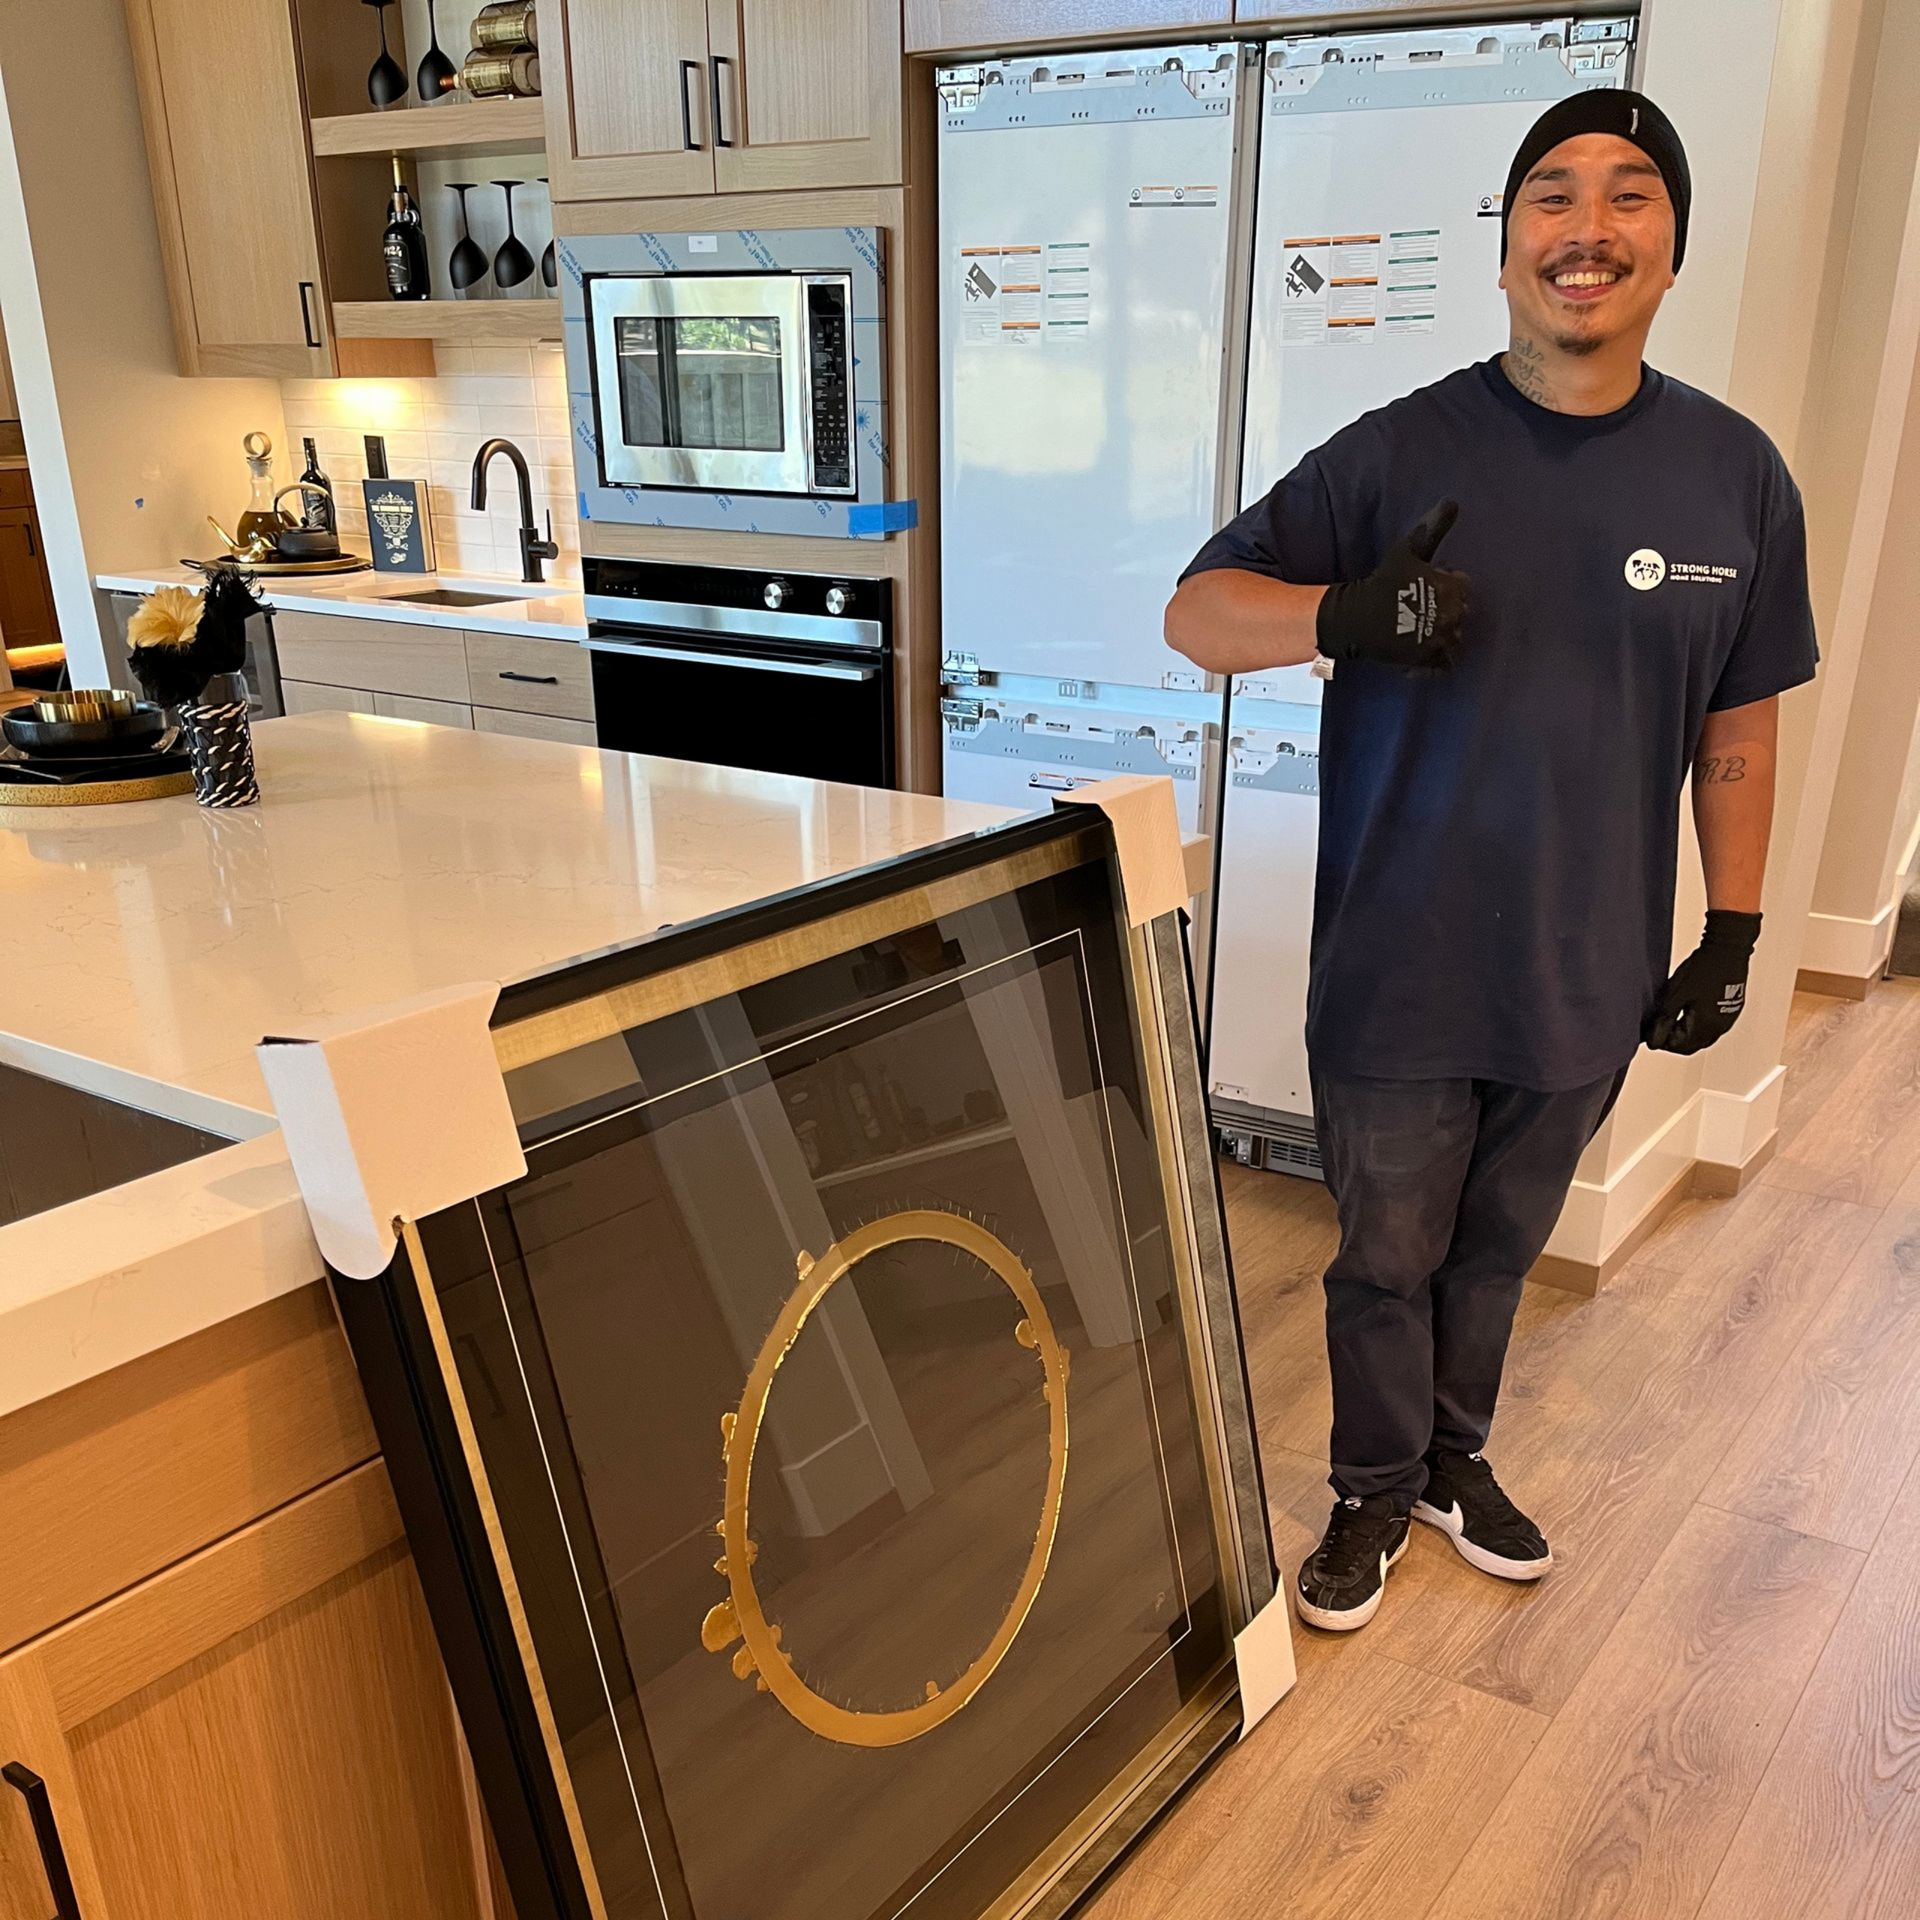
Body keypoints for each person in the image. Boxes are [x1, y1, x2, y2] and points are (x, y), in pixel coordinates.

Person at [1164, 90, 1818, 1632]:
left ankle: (1456, 1462)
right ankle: (1372, 1494)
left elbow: (1739, 719)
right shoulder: (1402, 451)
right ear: (1509, 242)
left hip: (1588, 966)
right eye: (1552, 197)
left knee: (1498, 1248)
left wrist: (1732, 929)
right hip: (1398, 955)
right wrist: (1340, 618)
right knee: (1384, 1254)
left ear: (1671, 245)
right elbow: (1198, 616)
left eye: (1629, 196)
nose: (1587, 228)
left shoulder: (1737, 478)